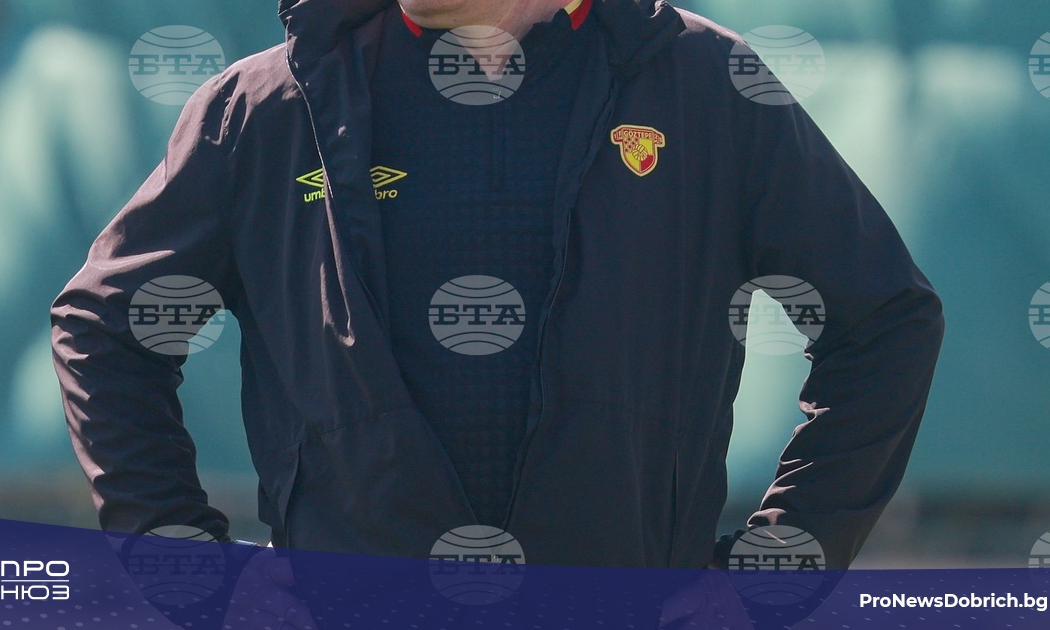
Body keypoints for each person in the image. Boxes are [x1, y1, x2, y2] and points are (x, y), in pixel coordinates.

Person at [51, 0, 944, 572]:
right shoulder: (266, 108)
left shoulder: (706, 85)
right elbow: (105, 326)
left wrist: (775, 566)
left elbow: (885, 323)